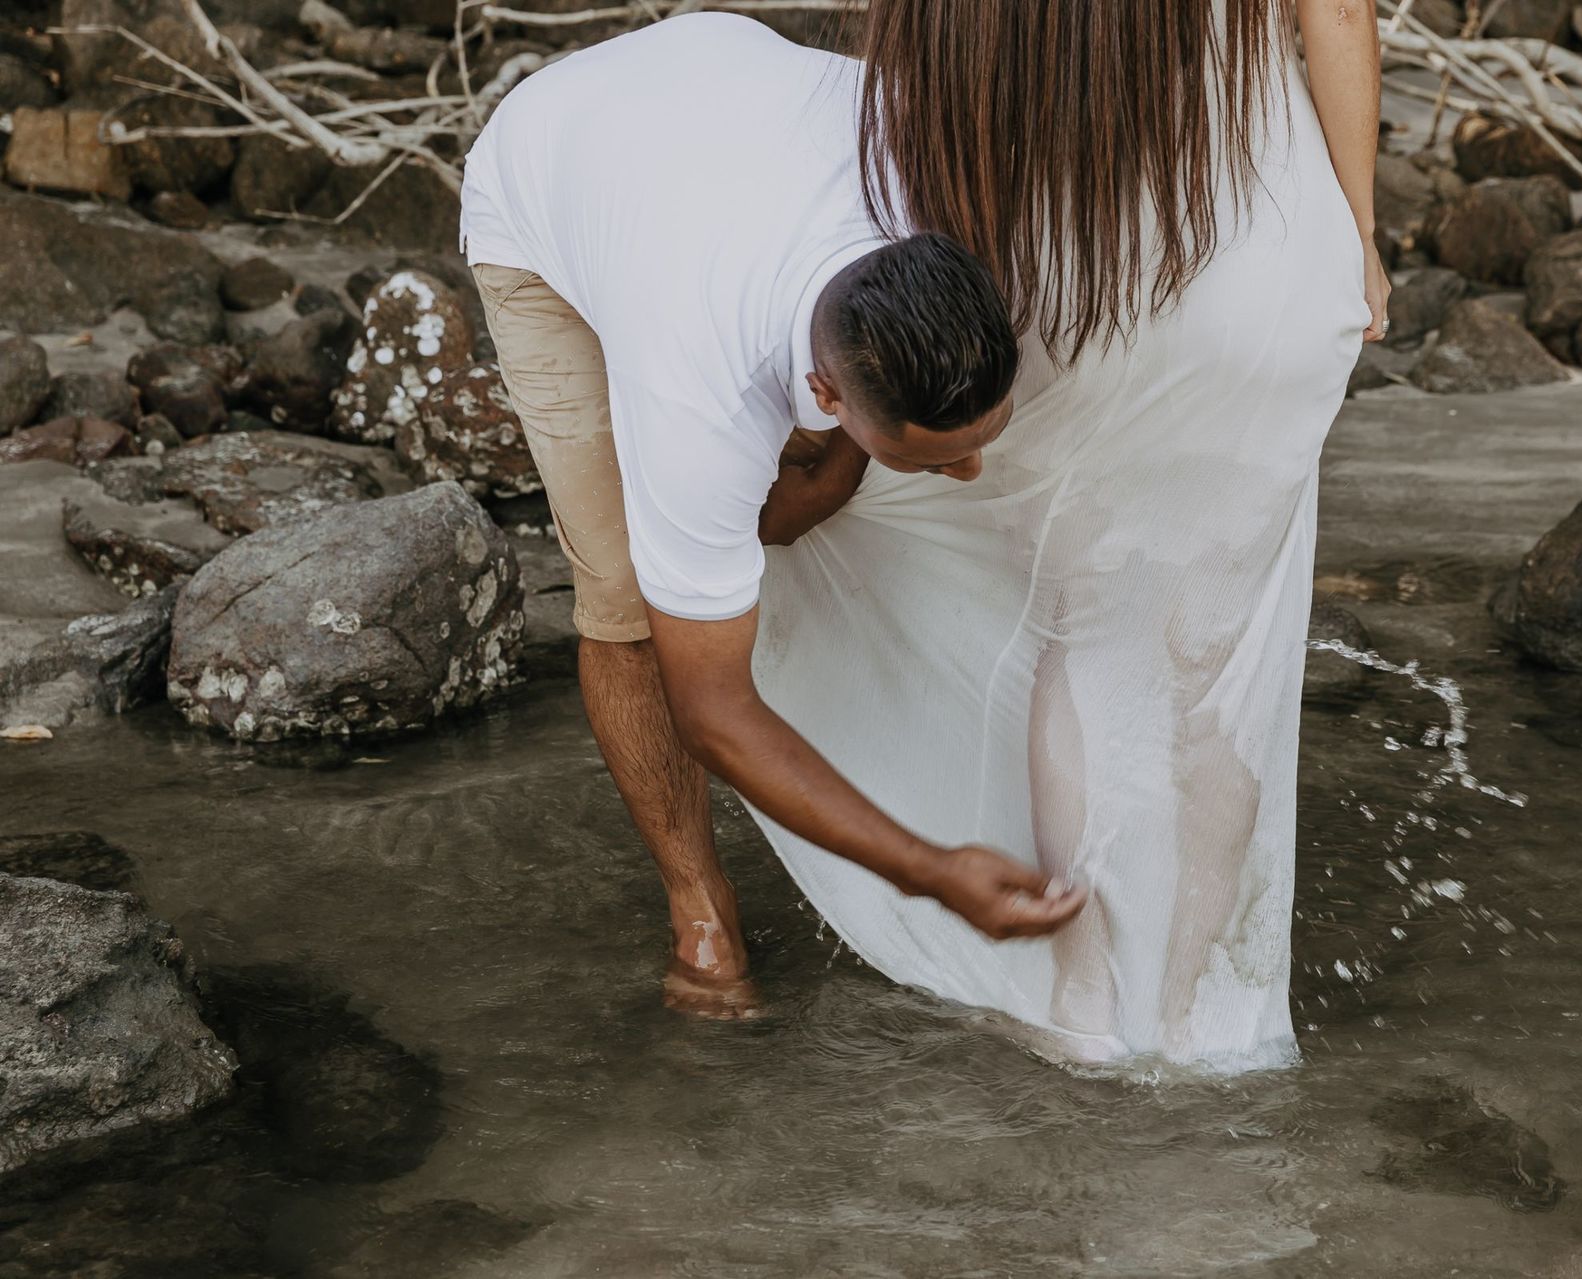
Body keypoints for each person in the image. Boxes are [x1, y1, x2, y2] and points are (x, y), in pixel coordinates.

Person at [743, 0, 1386, 1069]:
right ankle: (1196, 1014)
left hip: (1068, 262)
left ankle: (1084, 996)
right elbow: (1340, 14)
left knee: (1081, 625)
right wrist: (1358, 228)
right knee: (1219, 654)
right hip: (1267, 243)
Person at [458, 14, 1089, 1015]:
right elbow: (712, 713)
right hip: (543, 179)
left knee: (795, 509)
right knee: (628, 601)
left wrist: (837, 472)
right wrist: (930, 870)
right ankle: (698, 905)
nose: (970, 472)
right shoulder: (696, 401)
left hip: (724, 86)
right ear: (824, 390)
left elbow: (876, 359)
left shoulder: (947, 191)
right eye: (939, 455)